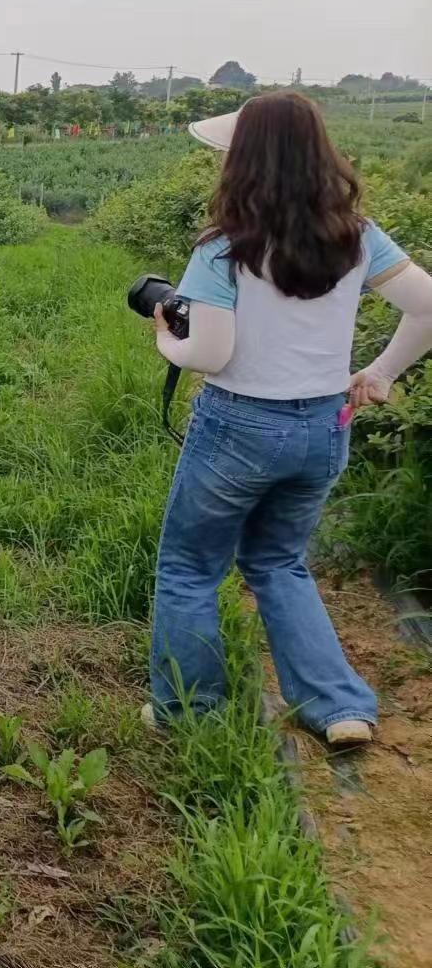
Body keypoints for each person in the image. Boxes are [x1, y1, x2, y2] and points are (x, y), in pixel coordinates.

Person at [148, 92, 432, 746]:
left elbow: (211, 352)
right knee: (279, 562)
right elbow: (426, 304)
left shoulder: (226, 248)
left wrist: (167, 338)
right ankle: (340, 707)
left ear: (242, 160)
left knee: (190, 566)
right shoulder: (356, 236)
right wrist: (380, 373)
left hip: (238, 427)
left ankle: (190, 711)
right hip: (323, 426)